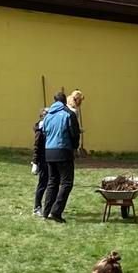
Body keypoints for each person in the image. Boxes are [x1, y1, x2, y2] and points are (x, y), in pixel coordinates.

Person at [40, 90, 83, 223]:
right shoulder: (68, 114)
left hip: (49, 152)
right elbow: (75, 134)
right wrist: (74, 148)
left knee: (52, 182)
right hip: (63, 151)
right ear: (65, 101)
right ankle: (56, 211)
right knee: (67, 183)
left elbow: (44, 132)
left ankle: (45, 212)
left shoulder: (48, 116)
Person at [33, 91, 63, 216]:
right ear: (42, 117)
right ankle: (37, 207)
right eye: (46, 114)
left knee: (53, 183)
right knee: (43, 184)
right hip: (43, 160)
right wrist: (35, 162)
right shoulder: (40, 130)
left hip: (51, 158)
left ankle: (50, 207)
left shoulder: (50, 127)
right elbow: (36, 147)